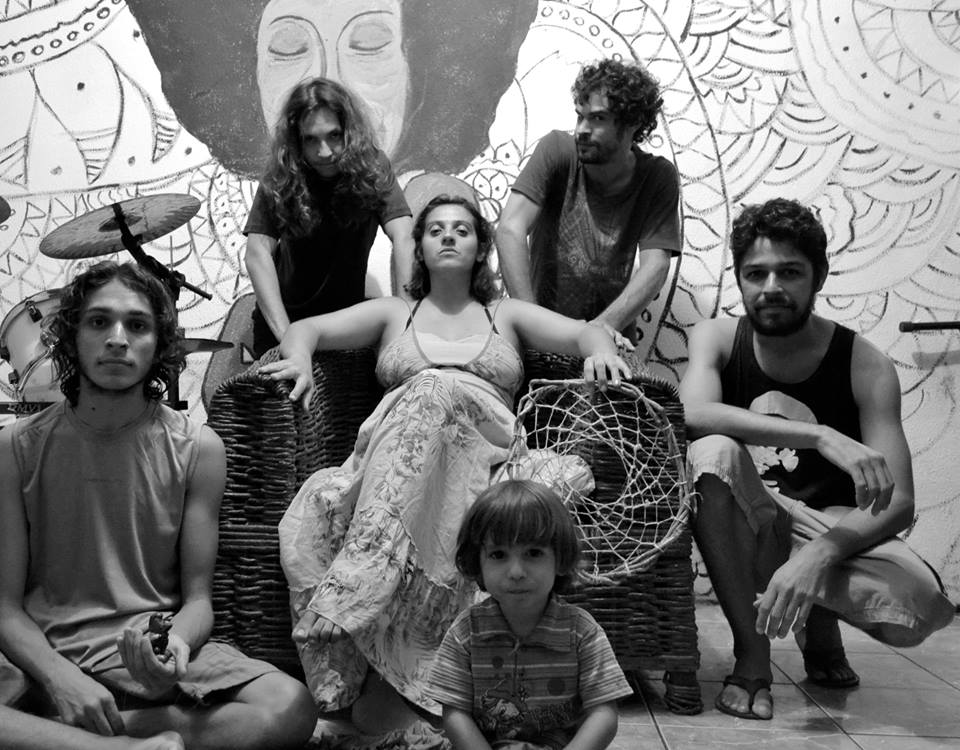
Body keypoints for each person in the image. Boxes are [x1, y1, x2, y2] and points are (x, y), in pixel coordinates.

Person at [261, 195, 630, 731]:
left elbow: (582, 331)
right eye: (435, 230)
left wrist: (600, 349)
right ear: (420, 249)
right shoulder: (395, 313)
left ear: (481, 248)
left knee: (436, 386)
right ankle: (387, 676)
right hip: (396, 455)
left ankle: (361, 581)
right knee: (422, 396)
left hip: (487, 452)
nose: (449, 236)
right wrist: (297, 356)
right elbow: (308, 329)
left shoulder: (505, 314)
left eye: (462, 229)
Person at [0, 262, 317, 748]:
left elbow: (198, 602)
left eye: (137, 325)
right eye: (99, 321)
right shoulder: (14, 448)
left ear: (160, 344)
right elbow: (5, 609)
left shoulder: (199, 449)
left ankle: (56, 738)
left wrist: (175, 644)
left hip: (146, 649)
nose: (117, 339)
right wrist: (61, 679)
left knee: (289, 707)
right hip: (42, 655)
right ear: (71, 337)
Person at [678, 199, 954, 721]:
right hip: (752, 515)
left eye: (789, 272)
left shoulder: (865, 363)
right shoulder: (716, 338)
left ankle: (818, 621)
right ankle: (752, 656)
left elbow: (900, 502)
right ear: (739, 279)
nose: (771, 287)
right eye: (755, 274)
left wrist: (819, 555)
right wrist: (819, 434)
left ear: (818, 276)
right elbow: (692, 414)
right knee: (711, 452)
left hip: (824, 525)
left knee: (916, 607)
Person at [427, 479, 633, 750]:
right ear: (477, 562)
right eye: (498, 555)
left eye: (533, 553)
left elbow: (604, 713)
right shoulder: (465, 632)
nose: (516, 572)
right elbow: (455, 713)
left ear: (560, 559)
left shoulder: (582, 632)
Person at [496, 58, 682, 344]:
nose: (581, 129)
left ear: (632, 123)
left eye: (597, 118)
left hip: (608, 336)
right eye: (579, 116)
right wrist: (532, 325)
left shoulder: (657, 176)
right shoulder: (557, 150)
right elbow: (510, 229)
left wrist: (597, 331)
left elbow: (656, 266)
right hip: (541, 335)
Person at [243, 77, 414, 357]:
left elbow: (404, 235)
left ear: (349, 131)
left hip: (343, 324)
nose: (324, 151)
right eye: (310, 139)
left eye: (334, 135)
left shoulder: (373, 167)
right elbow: (256, 253)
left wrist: (407, 315)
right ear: (296, 140)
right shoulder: (282, 175)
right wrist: (289, 338)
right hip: (284, 323)